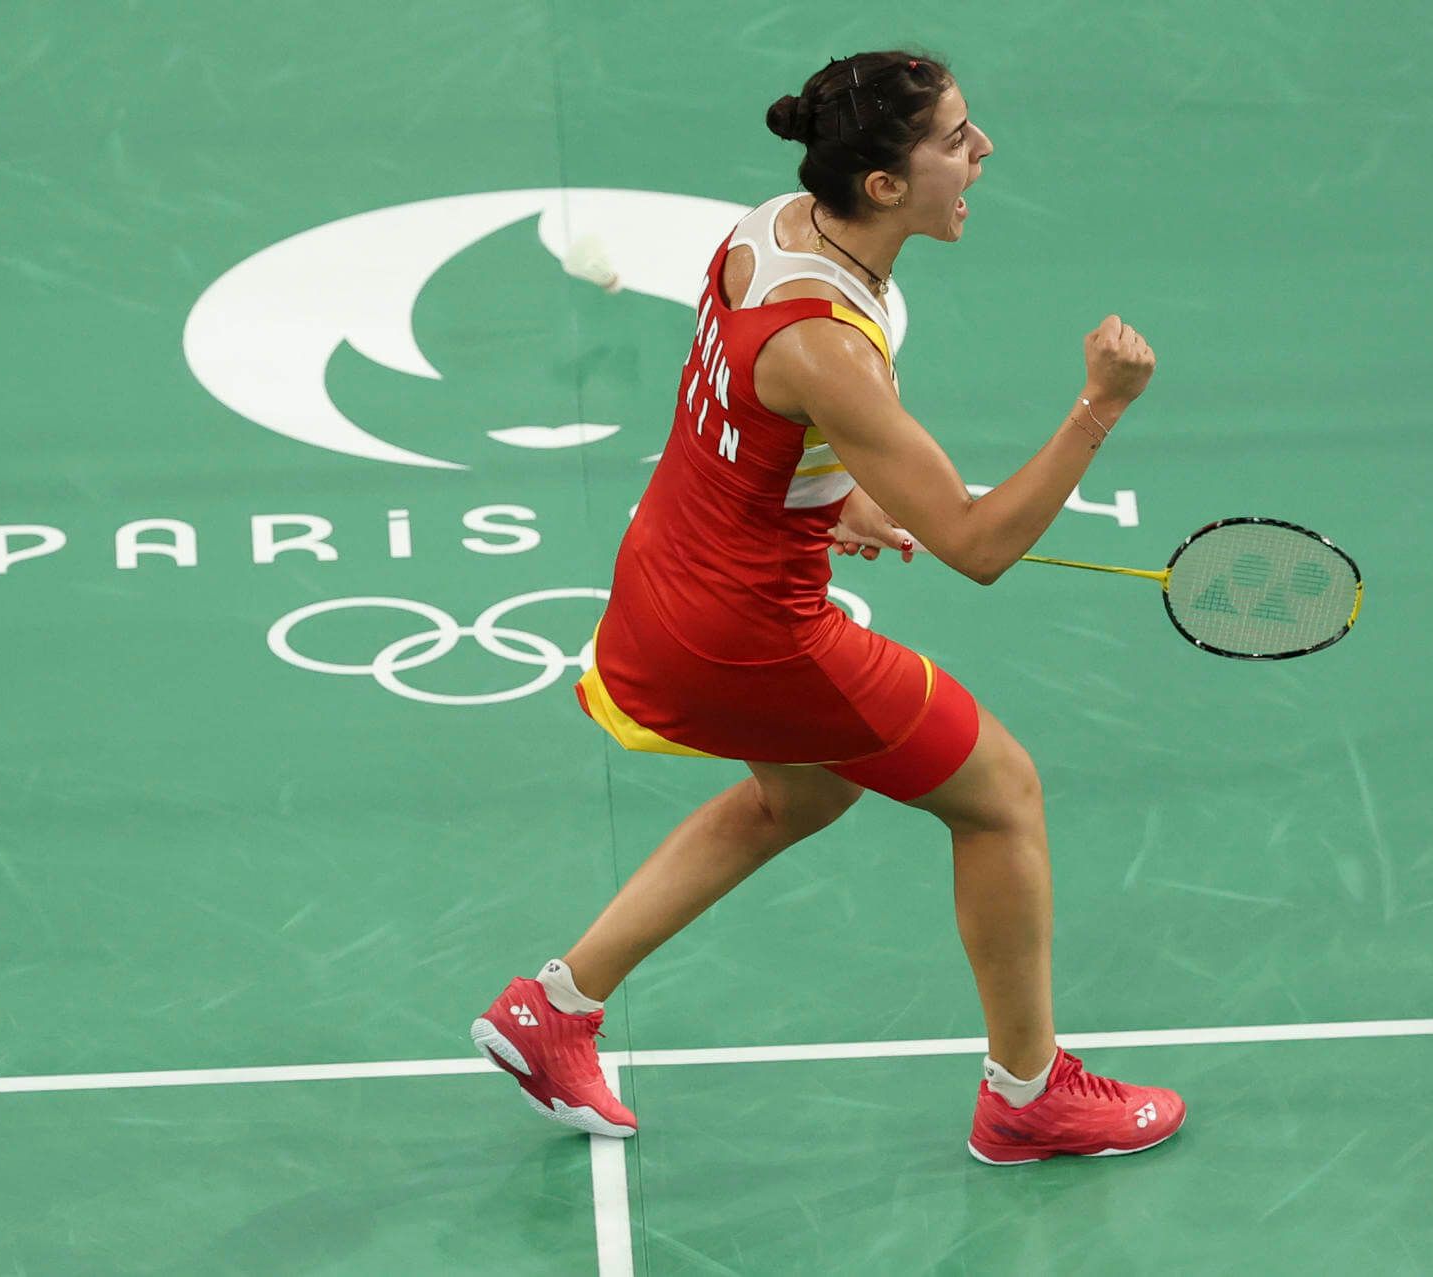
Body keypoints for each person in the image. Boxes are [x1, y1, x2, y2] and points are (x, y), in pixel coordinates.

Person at [473, 51, 1185, 1164]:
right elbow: (978, 544)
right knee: (1002, 794)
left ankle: (553, 1008)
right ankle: (1029, 1093)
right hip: (744, 627)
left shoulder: (771, 229)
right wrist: (1099, 408)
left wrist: (828, 492)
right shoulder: (826, 345)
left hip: (672, 568)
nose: (982, 150)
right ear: (888, 187)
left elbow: (738, 403)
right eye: (954, 139)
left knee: (799, 795)